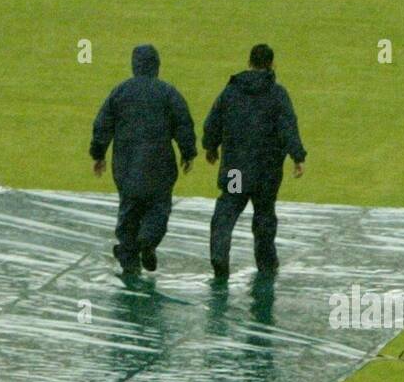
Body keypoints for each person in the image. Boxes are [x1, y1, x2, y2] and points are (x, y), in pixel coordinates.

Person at [90, 44, 196, 277]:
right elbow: (183, 124)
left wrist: (98, 155)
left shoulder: (120, 92)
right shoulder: (168, 93)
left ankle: (129, 259)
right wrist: (188, 153)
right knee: (159, 208)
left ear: (134, 66)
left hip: (126, 166)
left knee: (129, 211)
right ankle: (147, 241)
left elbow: (102, 125)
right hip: (160, 165)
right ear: (157, 66)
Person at [202, 44, 306, 282]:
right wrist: (297, 156)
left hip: (236, 169)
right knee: (264, 215)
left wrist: (210, 147)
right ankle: (266, 264)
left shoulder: (231, 92)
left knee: (227, 211)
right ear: (271, 64)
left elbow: (213, 121)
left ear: (249, 63)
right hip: (266, 170)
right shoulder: (277, 94)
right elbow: (288, 128)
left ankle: (220, 256)